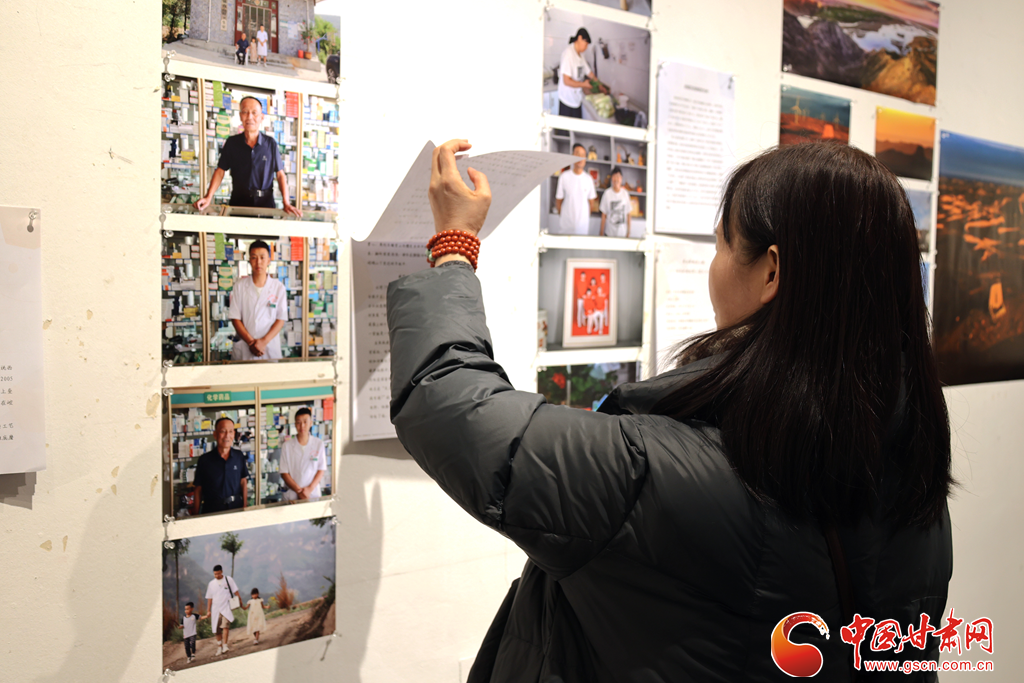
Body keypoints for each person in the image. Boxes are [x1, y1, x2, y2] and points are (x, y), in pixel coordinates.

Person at [387, 139, 953, 681]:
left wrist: (455, 247)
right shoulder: (912, 483)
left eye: (722, 245)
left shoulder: (666, 473)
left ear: (771, 272)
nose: (716, 265)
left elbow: (452, 407)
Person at [193, 96, 302, 216]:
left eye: (254, 113)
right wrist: (208, 197)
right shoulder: (232, 143)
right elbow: (220, 171)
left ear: (261, 117)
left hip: (265, 205)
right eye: (245, 112)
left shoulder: (270, 144)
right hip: (238, 204)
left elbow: (280, 175)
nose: (249, 117)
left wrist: (286, 202)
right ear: (240, 116)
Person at [228, 239, 288, 361]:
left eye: (262, 257)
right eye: (254, 257)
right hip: (245, 348)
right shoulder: (240, 286)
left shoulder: (278, 287)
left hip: (269, 347)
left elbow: (280, 319)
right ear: (249, 260)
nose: (258, 262)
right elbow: (235, 318)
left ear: (269, 260)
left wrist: (263, 342)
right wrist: (251, 343)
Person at [191, 417, 248, 515]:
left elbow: (243, 481)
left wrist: (245, 507)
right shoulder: (204, 460)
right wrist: (195, 515)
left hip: (236, 508)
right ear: (215, 434)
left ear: (234, 434)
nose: (227, 435)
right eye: (223, 431)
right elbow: (198, 488)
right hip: (212, 510)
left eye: (230, 431)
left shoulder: (239, 456)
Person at [557, 28, 608, 119]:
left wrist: (600, 85)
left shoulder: (580, 55)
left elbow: (589, 73)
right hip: (567, 101)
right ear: (580, 38)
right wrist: (584, 84)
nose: (586, 47)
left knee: (577, 125)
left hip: (576, 99)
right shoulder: (568, 54)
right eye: (586, 44)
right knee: (565, 128)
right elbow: (566, 81)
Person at [279, 407, 327, 501]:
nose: (302, 426)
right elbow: (284, 472)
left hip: (312, 494)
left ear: (311, 423)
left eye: (305, 422)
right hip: (293, 494)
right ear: (295, 424)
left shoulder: (318, 444)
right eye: (298, 422)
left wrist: (309, 490)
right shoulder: (287, 446)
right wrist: (298, 491)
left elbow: (321, 470)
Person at [555, 144, 596, 235]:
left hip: (582, 227)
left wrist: (583, 218)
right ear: (572, 156)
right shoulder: (564, 176)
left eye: (582, 155)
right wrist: (565, 217)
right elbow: (558, 201)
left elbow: (591, 203)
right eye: (577, 153)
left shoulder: (589, 179)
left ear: (585, 159)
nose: (580, 157)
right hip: (566, 226)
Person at [204, 565, 241, 656]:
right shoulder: (211, 584)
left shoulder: (228, 580)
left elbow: (235, 591)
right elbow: (209, 598)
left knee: (225, 626)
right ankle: (219, 646)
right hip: (216, 609)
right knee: (217, 629)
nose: (217, 575)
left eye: (218, 573)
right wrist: (208, 610)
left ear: (222, 572)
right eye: (215, 574)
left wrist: (239, 600)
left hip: (226, 607)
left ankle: (225, 645)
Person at [599, 168, 632, 238]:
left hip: (622, 234)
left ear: (621, 178)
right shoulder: (607, 193)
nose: (616, 179)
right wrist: (601, 232)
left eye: (618, 176)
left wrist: (628, 232)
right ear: (611, 178)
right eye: (614, 176)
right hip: (609, 233)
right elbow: (603, 215)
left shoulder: (625, 193)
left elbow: (628, 214)